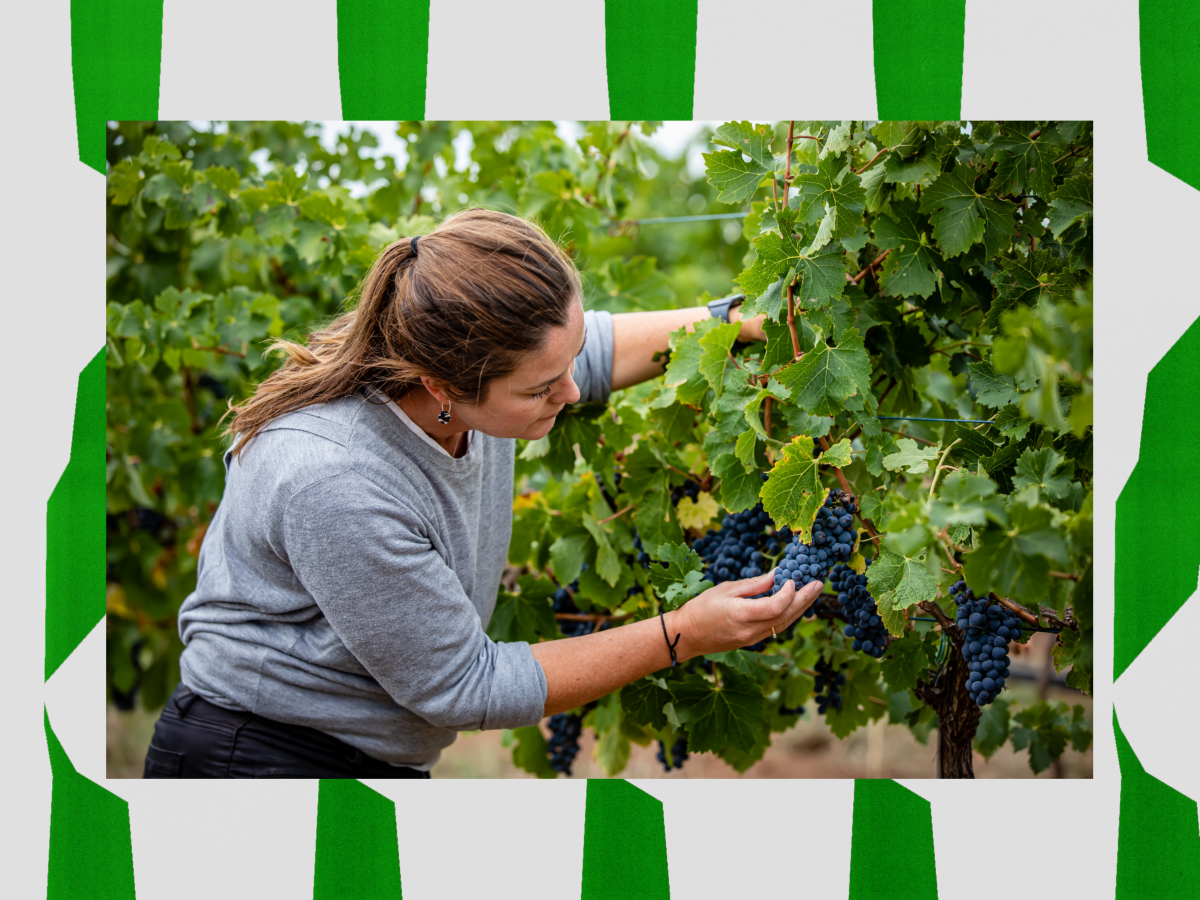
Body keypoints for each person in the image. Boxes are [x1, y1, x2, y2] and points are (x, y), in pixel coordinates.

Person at [142, 207, 823, 779]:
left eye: (566, 360)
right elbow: (463, 685)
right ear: (443, 385)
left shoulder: (477, 384)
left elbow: (588, 355)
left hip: (357, 757)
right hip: (255, 765)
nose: (573, 391)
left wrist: (736, 321)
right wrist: (683, 634)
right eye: (540, 388)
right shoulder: (336, 479)